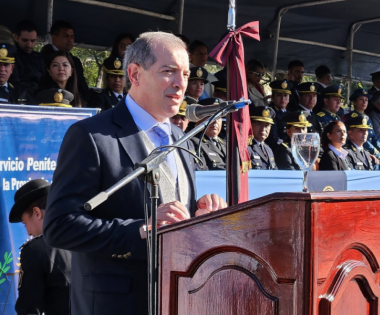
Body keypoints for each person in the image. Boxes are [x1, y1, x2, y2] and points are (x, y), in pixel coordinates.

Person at [43, 32, 227, 315]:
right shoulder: (91, 136)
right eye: (168, 72)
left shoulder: (182, 137)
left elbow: (172, 217)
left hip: (176, 300)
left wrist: (200, 217)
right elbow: (60, 226)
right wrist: (140, 230)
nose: (181, 84)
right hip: (114, 304)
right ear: (134, 74)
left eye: (186, 74)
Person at [10, 179, 71, 315]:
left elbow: (29, 308)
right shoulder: (83, 239)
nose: (28, 232)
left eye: (25, 223)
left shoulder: (35, 250)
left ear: (37, 213)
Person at [40, 20, 89, 104]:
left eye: (72, 36)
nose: (70, 39)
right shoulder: (42, 57)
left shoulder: (75, 61)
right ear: (54, 38)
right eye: (66, 36)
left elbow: (82, 86)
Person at [342, 88, 380, 170]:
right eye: (361, 100)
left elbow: (374, 138)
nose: (364, 102)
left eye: (366, 100)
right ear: (354, 102)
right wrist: (378, 155)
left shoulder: (367, 117)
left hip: (371, 152)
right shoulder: (353, 118)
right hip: (362, 152)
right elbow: (364, 140)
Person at [12, 20, 45, 96]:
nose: (29, 45)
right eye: (25, 40)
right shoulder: (11, 57)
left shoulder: (40, 58)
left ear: (37, 39)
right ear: (16, 37)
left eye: (33, 41)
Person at [192, 98, 227, 171]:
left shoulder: (225, 143)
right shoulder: (195, 143)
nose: (215, 121)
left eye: (218, 117)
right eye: (210, 117)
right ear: (198, 119)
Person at [266, 79, 292, 149]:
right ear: (272, 97)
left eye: (285, 95)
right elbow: (273, 138)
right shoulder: (271, 113)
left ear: (289, 98)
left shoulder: (291, 114)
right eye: (279, 95)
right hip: (278, 150)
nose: (283, 98)